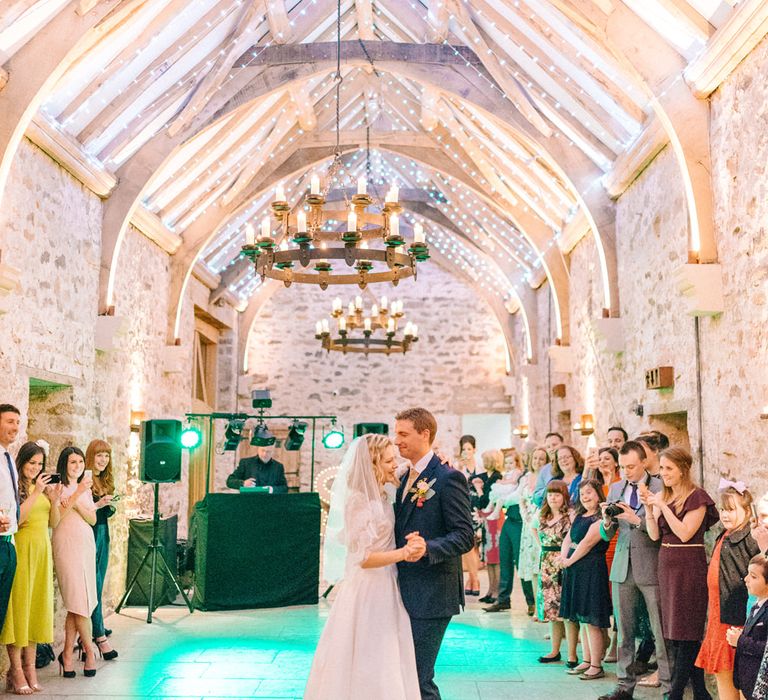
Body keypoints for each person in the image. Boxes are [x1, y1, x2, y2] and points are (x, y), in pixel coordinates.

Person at [305, 435, 424, 699]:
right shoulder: (359, 499)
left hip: (387, 582)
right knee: (371, 653)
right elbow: (364, 558)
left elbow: (411, 468)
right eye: (390, 460)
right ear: (373, 464)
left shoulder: (382, 491)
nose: (396, 464)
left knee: (388, 653)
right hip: (369, 588)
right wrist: (404, 553)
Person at [393, 408, 475, 700]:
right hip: (404, 588)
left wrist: (428, 548)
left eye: (403, 434)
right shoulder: (404, 476)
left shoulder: (448, 477)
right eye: (396, 433)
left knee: (419, 678)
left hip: (433, 592)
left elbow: (465, 535)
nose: (397, 440)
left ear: (424, 434)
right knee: (404, 674)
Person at [644, 446, 719, 700]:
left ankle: (675, 694)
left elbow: (686, 533)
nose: (663, 474)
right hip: (666, 563)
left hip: (689, 565)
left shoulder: (697, 497)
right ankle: (701, 692)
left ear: (683, 470)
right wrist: (649, 511)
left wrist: (663, 507)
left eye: (668, 469)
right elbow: (655, 535)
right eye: (662, 468)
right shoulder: (664, 495)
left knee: (688, 631)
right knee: (676, 634)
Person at [598, 440, 670, 700]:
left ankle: (668, 687)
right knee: (624, 631)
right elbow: (608, 535)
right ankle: (623, 686)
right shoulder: (615, 487)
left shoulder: (662, 486)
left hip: (651, 566)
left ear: (643, 463)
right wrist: (607, 520)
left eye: (630, 466)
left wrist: (636, 519)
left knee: (660, 630)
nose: (625, 471)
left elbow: (663, 532)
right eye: (622, 467)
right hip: (621, 567)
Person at [0, 441, 60, 694]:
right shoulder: (16, 488)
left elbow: (53, 523)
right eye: (31, 463)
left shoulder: (42, 488)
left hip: (42, 552)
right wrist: (36, 492)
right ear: (21, 462)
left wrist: (54, 499)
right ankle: (15, 670)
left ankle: (30, 667)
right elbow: (18, 519)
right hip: (22, 549)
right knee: (19, 610)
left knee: (35, 609)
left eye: (39, 464)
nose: (35, 468)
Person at [695, 482, 760, 700]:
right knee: (723, 679)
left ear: (747, 511)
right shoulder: (723, 535)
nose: (725, 515)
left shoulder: (750, 539)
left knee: (742, 683)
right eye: (723, 509)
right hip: (718, 617)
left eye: (732, 510)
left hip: (736, 620)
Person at [51, 446, 98, 678]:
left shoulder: (84, 489)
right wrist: (77, 492)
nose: (77, 466)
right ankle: (90, 651)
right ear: (64, 464)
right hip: (66, 546)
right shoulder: (56, 486)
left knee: (77, 603)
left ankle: (67, 654)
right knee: (78, 599)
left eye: (80, 462)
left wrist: (78, 498)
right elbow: (57, 516)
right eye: (72, 462)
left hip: (85, 545)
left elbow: (92, 518)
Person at [559, 479, 612, 680]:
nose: (586, 497)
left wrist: (569, 560)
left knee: (592, 620)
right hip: (575, 569)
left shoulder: (601, 519)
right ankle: (587, 660)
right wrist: (564, 558)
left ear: (599, 493)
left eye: (589, 492)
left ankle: (597, 665)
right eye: (582, 494)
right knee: (582, 619)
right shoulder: (580, 516)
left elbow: (587, 544)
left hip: (591, 569)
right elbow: (569, 538)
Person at [536, 480, 576, 666]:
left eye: (557, 494)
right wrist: (542, 549)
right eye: (550, 494)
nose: (553, 498)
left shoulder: (570, 515)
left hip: (563, 562)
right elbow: (533, 530)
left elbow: (575, 537)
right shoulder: (542, 515)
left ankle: (572, 654)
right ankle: (554, 650)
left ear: (564, 497)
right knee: (552, 609)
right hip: (546, 563)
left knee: (566, 610)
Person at [85, 439, 118, 661]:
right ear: (91, 457)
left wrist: (110, 505)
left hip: (103, 532)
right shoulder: (86, 480)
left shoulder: (104, 480)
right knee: (94, 585)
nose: (103, 459)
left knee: (100, 581)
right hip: (92, 534)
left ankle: (94, 629)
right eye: (99, 455)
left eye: (106, 455)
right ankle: (98, 635)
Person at [730, 554, 768, 700]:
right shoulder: (756, 606)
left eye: (753, 576)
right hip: (748, 683)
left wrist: (740, 641)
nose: (746, 579)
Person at [0, 405, 20, 646]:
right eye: (9, 421)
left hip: (8, 543)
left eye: (17, 422)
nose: (15, 427)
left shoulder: (8, 459)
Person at [517, 447, 546, 615]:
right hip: (527, 527)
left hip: (542, 525)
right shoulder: (526, 479)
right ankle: (537, 608)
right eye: (535, 458)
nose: (537, 461)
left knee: (541, 567)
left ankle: (545, 607)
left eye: (542, 458)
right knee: (532, 568)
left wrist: (538, 518)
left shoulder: (548, 478)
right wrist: (527, 518)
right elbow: (521, 499)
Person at [475, 450, 503, 603]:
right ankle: (491, 589)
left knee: (495, 556)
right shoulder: (487, 476)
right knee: (489, 557)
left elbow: (485, 500)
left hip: (494, 518)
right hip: (487, 518)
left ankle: (496, 591)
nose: (483, 462)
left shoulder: (496, 477)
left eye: (486, 459)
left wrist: (479, 489)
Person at [458, 435, 481, 597]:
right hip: (464, 508)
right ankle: (473, 579)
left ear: (474, 450)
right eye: (463, 449)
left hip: (478, 510)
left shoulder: (481, 467)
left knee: (475, 547)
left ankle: (474, 579)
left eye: (469, 449)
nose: (466, 452)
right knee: (467, 546)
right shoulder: (458, 469)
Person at [532, 432, 564, 506]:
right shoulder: (545, 470)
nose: (552, 449)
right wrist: (550, 489)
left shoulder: (572, 464)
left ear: (563, 445)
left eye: (554, 445)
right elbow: (536, 497)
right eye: (548, 447)